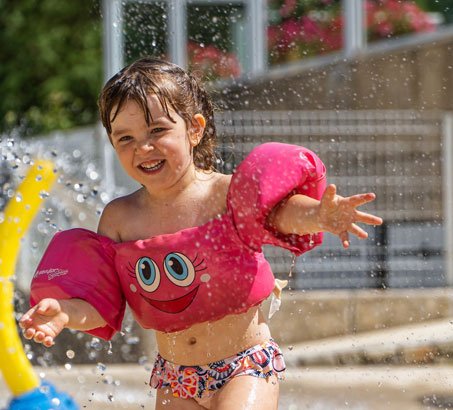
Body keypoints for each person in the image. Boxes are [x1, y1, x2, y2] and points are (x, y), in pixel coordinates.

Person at [18, 57, 383, 409]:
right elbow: (105, 303)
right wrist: (66, 312)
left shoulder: (225, 195)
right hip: (176, 378)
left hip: (244, 365)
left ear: (194, 128)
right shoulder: (120, 219)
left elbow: (280, 215)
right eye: (125, 138)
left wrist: (319, 214)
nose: (143, 147)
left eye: (158, 130)